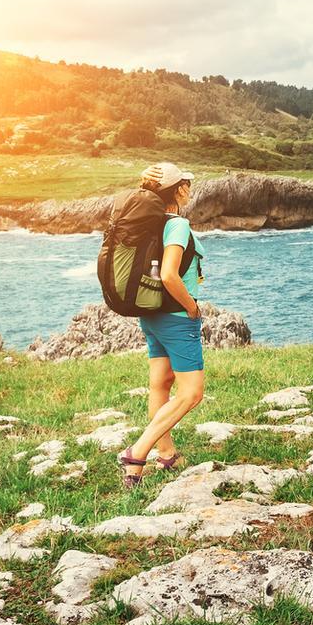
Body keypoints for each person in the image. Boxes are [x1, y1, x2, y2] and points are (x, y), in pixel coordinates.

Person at [118, 162, 207, 488]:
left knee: (161, 382)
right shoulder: (177, 224)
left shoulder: (147, 223)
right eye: (187, 182)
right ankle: (137, 453)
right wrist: (191, 307)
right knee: (192, 393)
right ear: (179, 190)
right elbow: (169, 274)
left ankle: (166, 453)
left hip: (151, 312)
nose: (190, 187)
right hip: (175, 317)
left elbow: (153, 272)